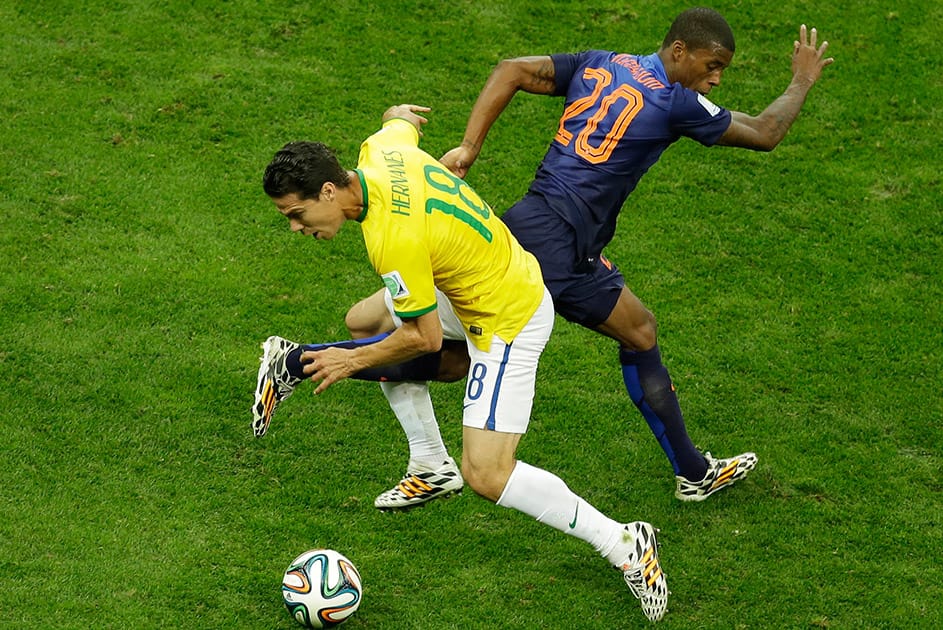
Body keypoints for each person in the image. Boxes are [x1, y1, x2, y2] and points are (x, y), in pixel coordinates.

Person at [255, 8, 834, 505]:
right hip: (550, 253)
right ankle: (300, 363)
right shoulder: (673, 102)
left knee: (638, 331)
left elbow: (510, 70)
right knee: (443, 355)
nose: (714, 80)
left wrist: (471, 145)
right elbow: (765, 132)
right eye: (711, 67)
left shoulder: (603, 62)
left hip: (546, 233)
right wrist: (802, 81)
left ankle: (691, 472)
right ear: (678, 52)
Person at [257, 104, 670, 621]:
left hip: (506, 316)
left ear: (327, 192)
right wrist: (399, 113)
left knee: (487, 472)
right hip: (473, 274)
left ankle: (624, 543)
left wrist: (351, 363)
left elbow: (423, 337)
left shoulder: (392, 238)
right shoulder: (378, 150)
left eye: (296, 215)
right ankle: (430, 463)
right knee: (363, 320)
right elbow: (397, 120)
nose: (296, 228)